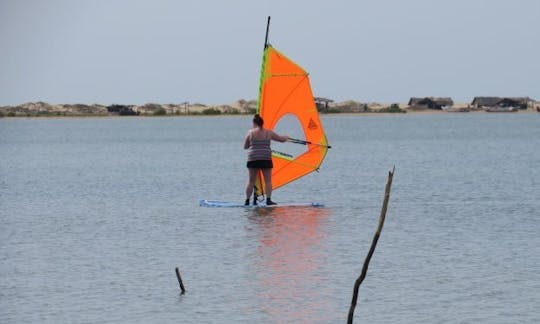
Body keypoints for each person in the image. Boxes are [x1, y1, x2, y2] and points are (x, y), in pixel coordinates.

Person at [244, 114, 289, 205]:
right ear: (262, 123)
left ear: (254, 123)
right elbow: (281, 139)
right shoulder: (269, 133)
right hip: (265, 158)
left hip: (253, 158)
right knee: (267, 180)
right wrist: (286, 137)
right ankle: (268, 200)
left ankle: (247, 201)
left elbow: (245, 146)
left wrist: (253, 144)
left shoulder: (250, 133)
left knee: (251, 181)